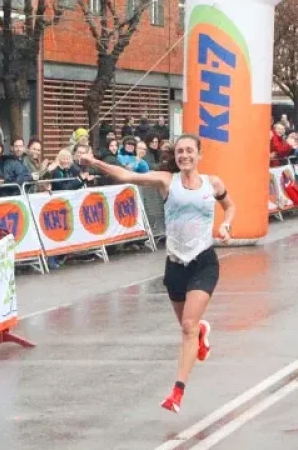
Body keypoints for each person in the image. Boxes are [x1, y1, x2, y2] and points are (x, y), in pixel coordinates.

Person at [81, 135, 235, 415]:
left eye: (190, 151)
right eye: (180, 152)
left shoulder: (213, 184)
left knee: (187, 326)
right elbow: (126, 175)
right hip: (175, 265)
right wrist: (94, 162)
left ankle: (177, 392)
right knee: (187, 327)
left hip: (203, 262)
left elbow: (230, 206)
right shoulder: (167, 181)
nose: (185, 156)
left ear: (199, 155)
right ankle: (201, 332)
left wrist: (225, 225)